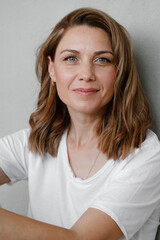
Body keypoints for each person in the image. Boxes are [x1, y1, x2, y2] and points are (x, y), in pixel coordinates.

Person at [0, 7, 160, 240]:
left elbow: (78, 239)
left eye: (102, 60)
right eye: (71, 58)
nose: (86, 73)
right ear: (52, 69)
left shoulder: (146, 155)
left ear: (120, 73)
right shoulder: (33, 141)